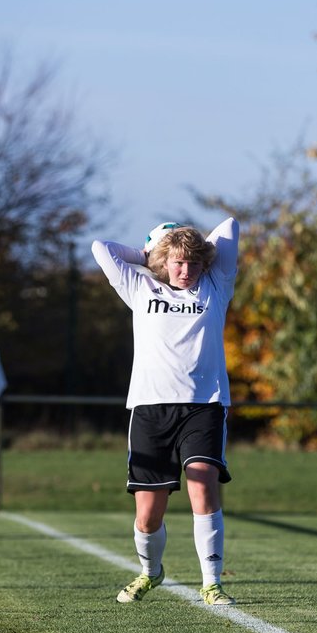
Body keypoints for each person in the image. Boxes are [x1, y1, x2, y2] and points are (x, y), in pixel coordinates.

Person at [91, 216, 240, 606]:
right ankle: (150, 572)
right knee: (147, 516)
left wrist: (188, 243)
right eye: (177, 262)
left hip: (203, 406)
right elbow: (100, 248)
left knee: (202, 482)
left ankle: (212, 583)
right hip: (149, 409)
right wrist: (149, 252)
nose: (185, 270)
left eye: (193, 262)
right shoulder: (139, 287)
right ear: (161, 262)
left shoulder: (215, 286)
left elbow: (230, 225)